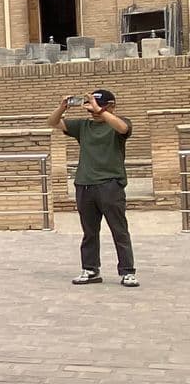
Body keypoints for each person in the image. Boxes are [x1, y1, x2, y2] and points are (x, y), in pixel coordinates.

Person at [53, 88, 136, 287]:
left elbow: (123, 129)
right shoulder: (83, 126)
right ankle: (90, 269)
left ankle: (127, 271)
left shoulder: (118, 123)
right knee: (89, 231)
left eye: (98, 106)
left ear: (111, 106)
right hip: (85, 185)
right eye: (90, 108)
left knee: (119, 230)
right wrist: (61, 108)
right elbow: (53, 123)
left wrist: (101, 111)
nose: (92, 111)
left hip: (110, 185)